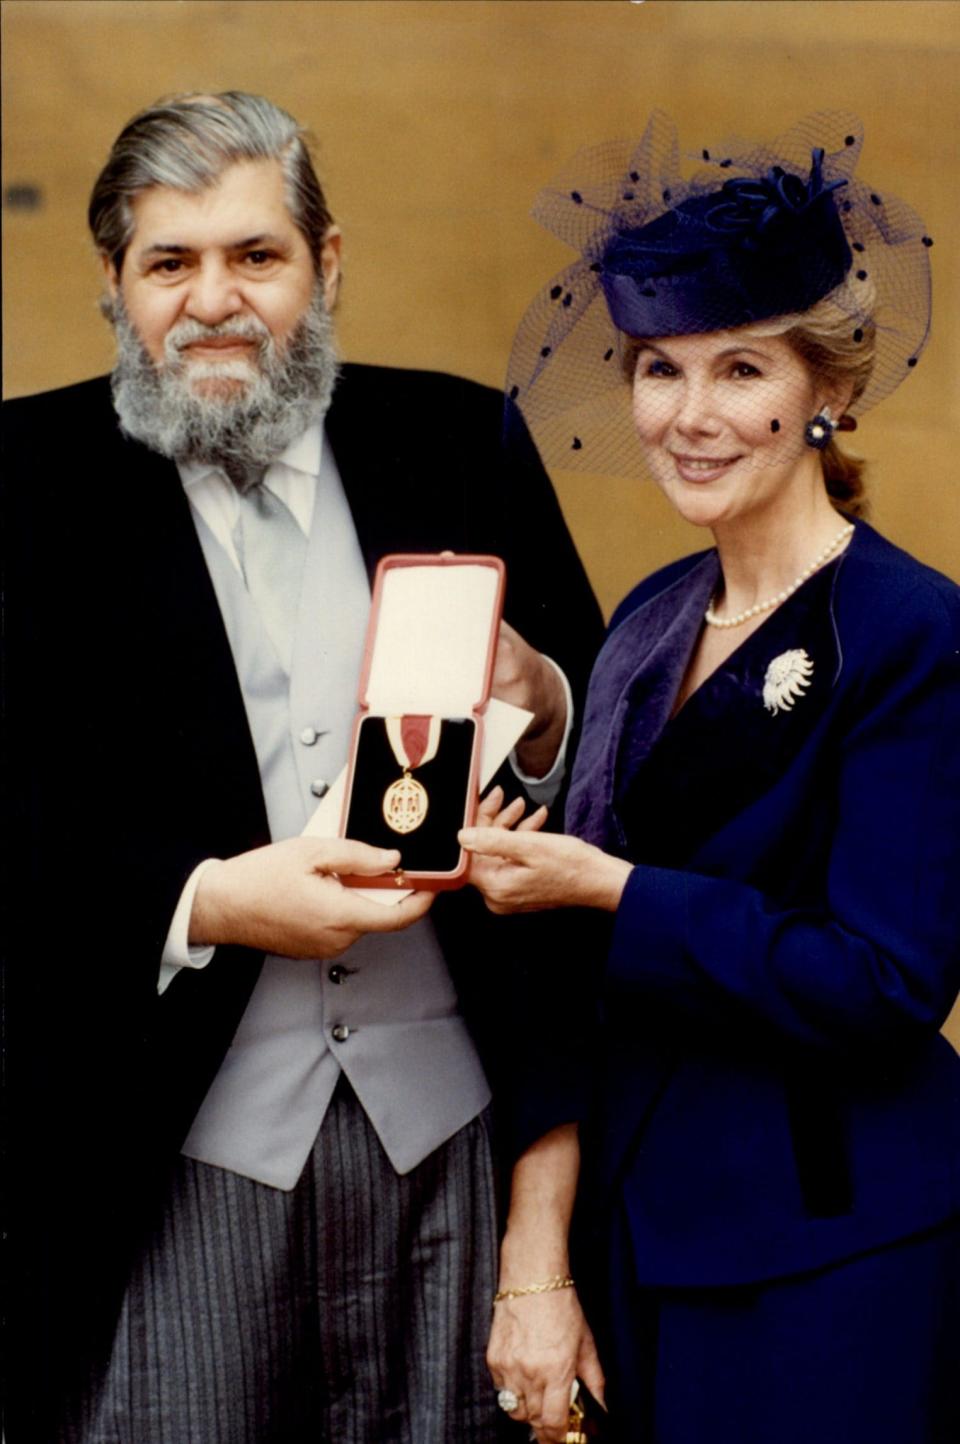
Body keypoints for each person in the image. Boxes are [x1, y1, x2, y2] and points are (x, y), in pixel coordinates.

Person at [2, 91, 605, 1443]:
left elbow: (599, 740)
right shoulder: (23, 482)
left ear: (327, 265)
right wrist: (207, 902)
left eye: (255, 256)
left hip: (450, 1136)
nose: (214, 300)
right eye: (171, 263)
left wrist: (549, 701)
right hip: (169, 1146)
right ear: (115, 283)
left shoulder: (464, 440)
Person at [460, 112, 960, 1443]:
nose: (688, 417)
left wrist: (615, 888)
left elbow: (885, 983)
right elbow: (570, 971)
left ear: (826, 390)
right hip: (637, 1231)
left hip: (826, 1246)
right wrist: (540, 1261)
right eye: (657, 370)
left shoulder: (913, 632)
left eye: (741, 370)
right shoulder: (648, 616)